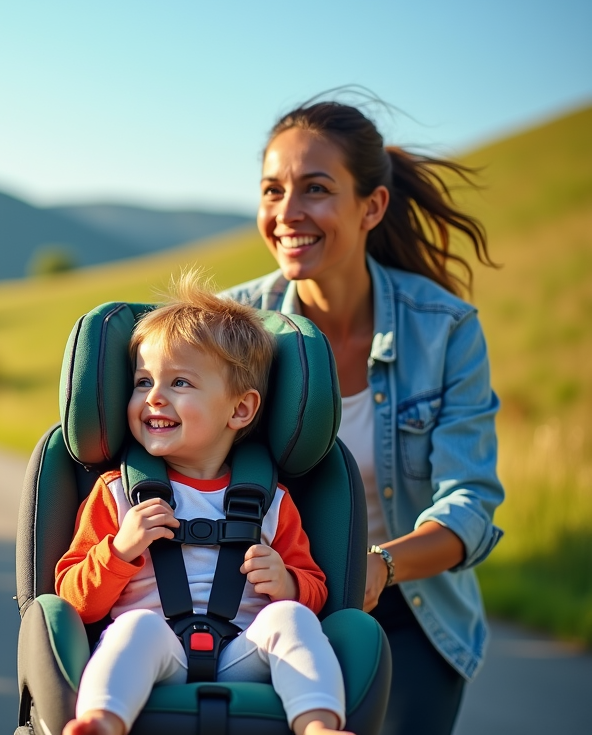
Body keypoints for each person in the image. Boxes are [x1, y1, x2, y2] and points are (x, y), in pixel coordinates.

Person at [224, 99, 504, 735]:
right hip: (261, 604)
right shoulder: (232, 327)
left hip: (408, 609)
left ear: (371, 206)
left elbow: (469, 503)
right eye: (273, 190)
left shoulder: (446, 330)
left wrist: (379, 563)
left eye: (315, 189)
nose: (288, 213)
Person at [58, 273, 350, 735]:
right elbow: (74, 599)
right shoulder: (115, 494)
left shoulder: (272, 503)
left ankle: (317, 725)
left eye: (179, 382)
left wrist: (289, 584)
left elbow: (316, 590)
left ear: (239, 410)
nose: (153, 396)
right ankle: (102, 721)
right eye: (142, 382)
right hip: (156, 654)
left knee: (290, 619)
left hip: (246, 652)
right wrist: (118, 551)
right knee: (136, 629)